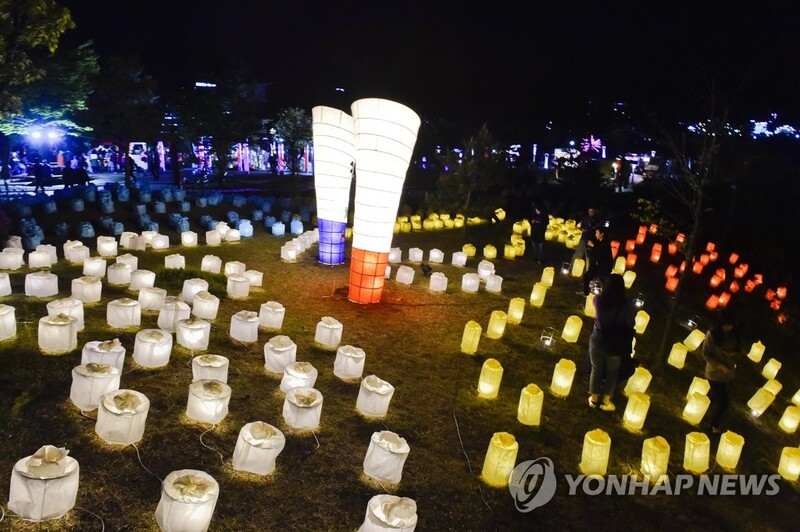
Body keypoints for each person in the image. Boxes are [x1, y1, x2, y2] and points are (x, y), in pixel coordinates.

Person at [588, 274, 635, 411]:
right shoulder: (625, 306)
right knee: (612, 371)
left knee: (596, 368)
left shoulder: (598, 300)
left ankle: (593, 399)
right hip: (616, 340)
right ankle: (605, 401)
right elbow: (631, 323)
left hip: (598, 337)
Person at [702, 312, 740, 433]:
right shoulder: (712, 334)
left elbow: (738, 349)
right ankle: (713, 425)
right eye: (726, 325)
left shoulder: (734, 334)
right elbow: (706, 353)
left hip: (729, 373)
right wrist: (720, 366)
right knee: (724, 402)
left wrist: (733, 353)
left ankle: (700, 409)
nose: (728, 327)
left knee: (714, 397)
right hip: (715, 374)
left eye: (730, 325)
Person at [583, 224, 612, 296]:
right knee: (587, 276)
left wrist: (593, 246)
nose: (595, 234)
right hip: (597, 266)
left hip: (604, 268)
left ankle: (605, 296)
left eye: (597, 233)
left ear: (602, 234)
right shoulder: (597, 241)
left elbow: (601, 253)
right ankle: (586, 293)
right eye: (595, 232)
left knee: (603, 282)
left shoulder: (605, 243)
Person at [571, 206, 600, 271]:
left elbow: (597, 229)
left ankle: (588, 271)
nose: (591, 212)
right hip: (584, 239)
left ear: (595, 211)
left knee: (589, 257)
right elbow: (582, 226)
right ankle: (571, 267)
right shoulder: (585, 218)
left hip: (591, 240)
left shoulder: (597, 220)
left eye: (592, 211)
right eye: (589, 211)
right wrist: (582, 229)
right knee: (577, 254)